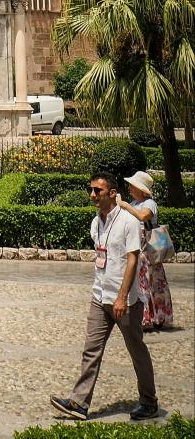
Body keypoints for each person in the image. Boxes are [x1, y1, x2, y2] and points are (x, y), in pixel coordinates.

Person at [49, 172, 158, 422]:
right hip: (100, 295)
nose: (92, 195)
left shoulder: (128, 221)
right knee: (91, 350)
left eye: (97, 191)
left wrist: (121, 297)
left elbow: (132, 259)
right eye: (91, 190)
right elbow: (103, 257)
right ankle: (79, 403)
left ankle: (149, 402)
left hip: (126, 300)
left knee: (137, 351)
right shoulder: (96, 221)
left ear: (112, 193)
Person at [118, 171, 174, 332]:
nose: (129, 188)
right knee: (143, 281)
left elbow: (143, 217)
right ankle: (147, 317)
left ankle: (155, 317)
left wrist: (125, 206)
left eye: (132, 185)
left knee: (150, 281)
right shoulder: (134, 203)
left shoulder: (149, 204)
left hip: (147, 248)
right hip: (138, 245)